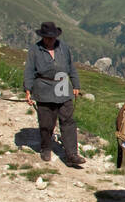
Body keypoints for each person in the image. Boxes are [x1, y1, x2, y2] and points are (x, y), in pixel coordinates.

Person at [23, 22, 85, 166]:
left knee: (68, 121)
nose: (50, 40)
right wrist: (28, 90)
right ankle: (46, 147)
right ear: (43, 37)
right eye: (47, 38)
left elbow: (71, 67)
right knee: (46, 122)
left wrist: (76, 84)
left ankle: (72, 154)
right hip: (44, 88)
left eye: (52, 37)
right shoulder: (35, 50)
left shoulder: (63, 47)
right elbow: (29, 71)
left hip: (63, 86)